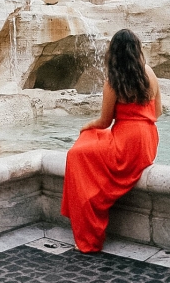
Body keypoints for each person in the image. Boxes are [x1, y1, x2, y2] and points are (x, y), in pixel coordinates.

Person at [61, 29, 162, 253]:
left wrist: (87, 126)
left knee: (76, 154)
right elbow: (158, 112)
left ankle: (89, 232)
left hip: (125, 143)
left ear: (113, 53)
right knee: (92, 146)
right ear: (137, 50)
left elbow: (105, 122)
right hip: (148, 142)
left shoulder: (113, 81)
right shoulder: (150, 74)